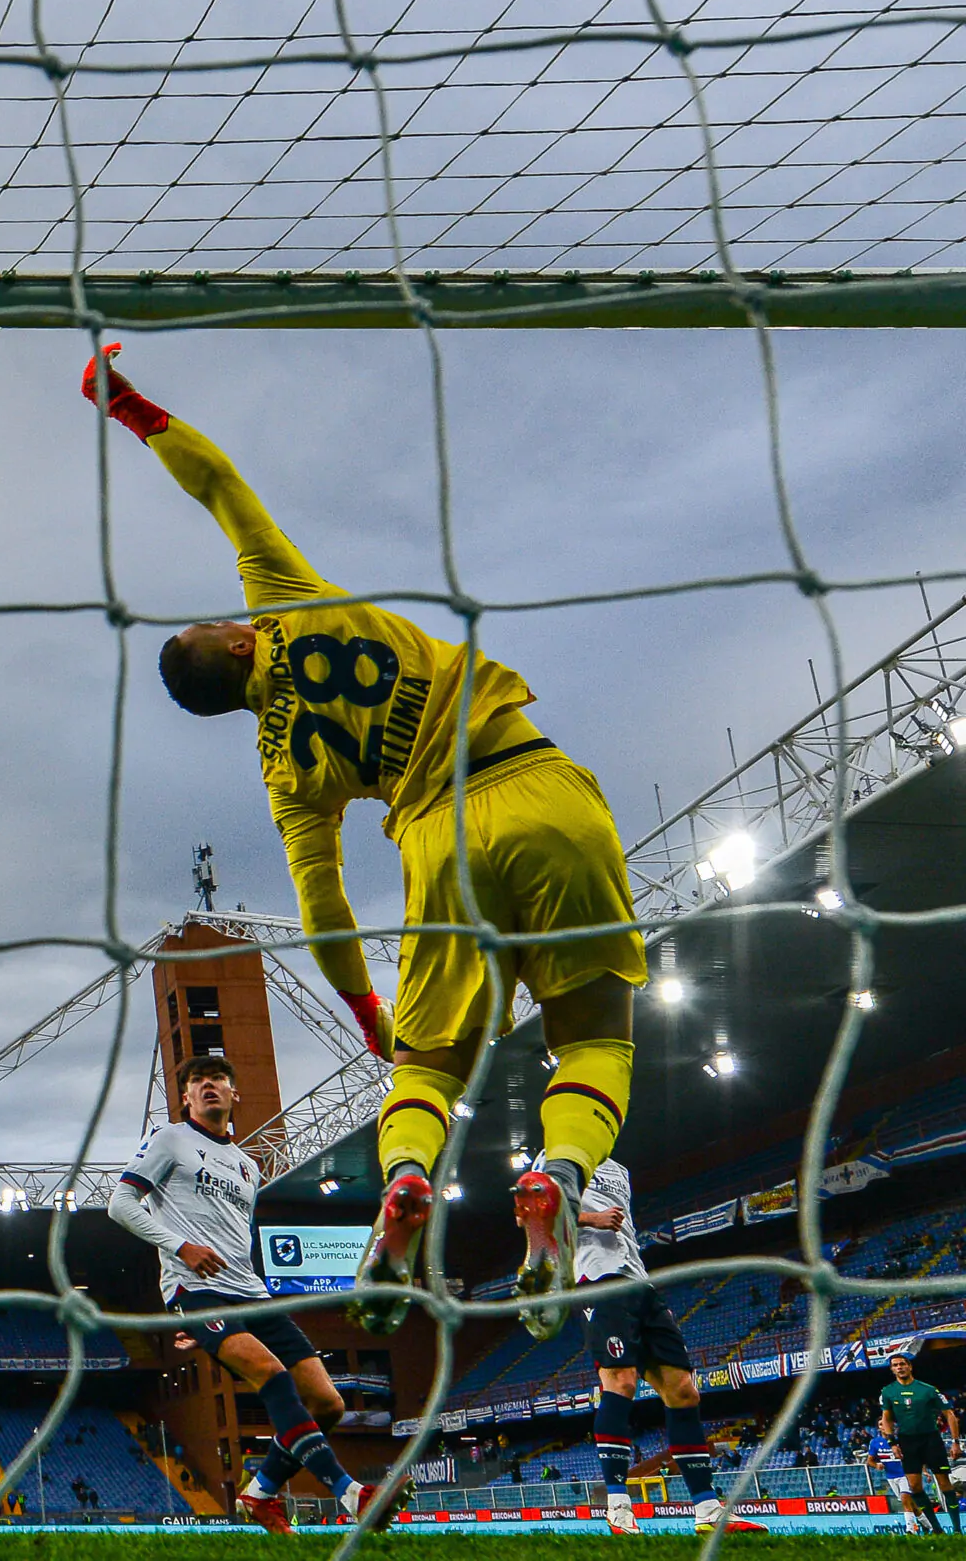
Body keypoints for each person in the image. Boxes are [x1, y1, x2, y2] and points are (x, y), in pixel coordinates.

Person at [88, 350, 646, 1341]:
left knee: (423, 1072)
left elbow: (325, 909)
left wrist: (363, 1009)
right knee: (593, 1036)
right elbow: (217, 482)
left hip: (437, 843)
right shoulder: (290, 597)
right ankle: (561, 1173)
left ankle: (402, 1184)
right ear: (239, 636)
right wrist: (126, 406)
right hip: (542, 783)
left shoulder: (283, 769)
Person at [107, 1056, 400, 1533]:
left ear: (233, 1093)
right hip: (195, 1288)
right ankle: (351, 1494)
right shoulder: (170, 1139)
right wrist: (181, 1248)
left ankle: (260, 1493)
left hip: (252, 1292)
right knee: (271, 1373)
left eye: (218, 1079)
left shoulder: (248, 1165)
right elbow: (119, 1204)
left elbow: (236, 1238)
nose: (208, 1087)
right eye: (197, 1082)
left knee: (330, 1404)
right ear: (185, 1097)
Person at [573, 1157, 758, 1536]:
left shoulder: (621, 1169)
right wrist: (591, 1220)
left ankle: (707, 1509)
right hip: (597, 1279)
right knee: (621, 1382)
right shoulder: (560, 1154)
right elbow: (529, 1216)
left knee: (684, 1391)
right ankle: (617, 1508)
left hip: (639, 1282)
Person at [881, 1351, 958, 1533]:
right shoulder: (888, 1392)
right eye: (895, 1365)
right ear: (892, 1370)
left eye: (902, 1364)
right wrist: (892, 1442)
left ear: (910, 1366)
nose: (899, 1367)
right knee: (915, 1487)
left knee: (944, 1483)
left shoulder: (928, 1389)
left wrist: (955, 1442)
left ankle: (956, 1529)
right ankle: (937, 1529)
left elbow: (950, 1414)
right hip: (907, 1441)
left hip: (931, 1438)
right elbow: (887, 1418)